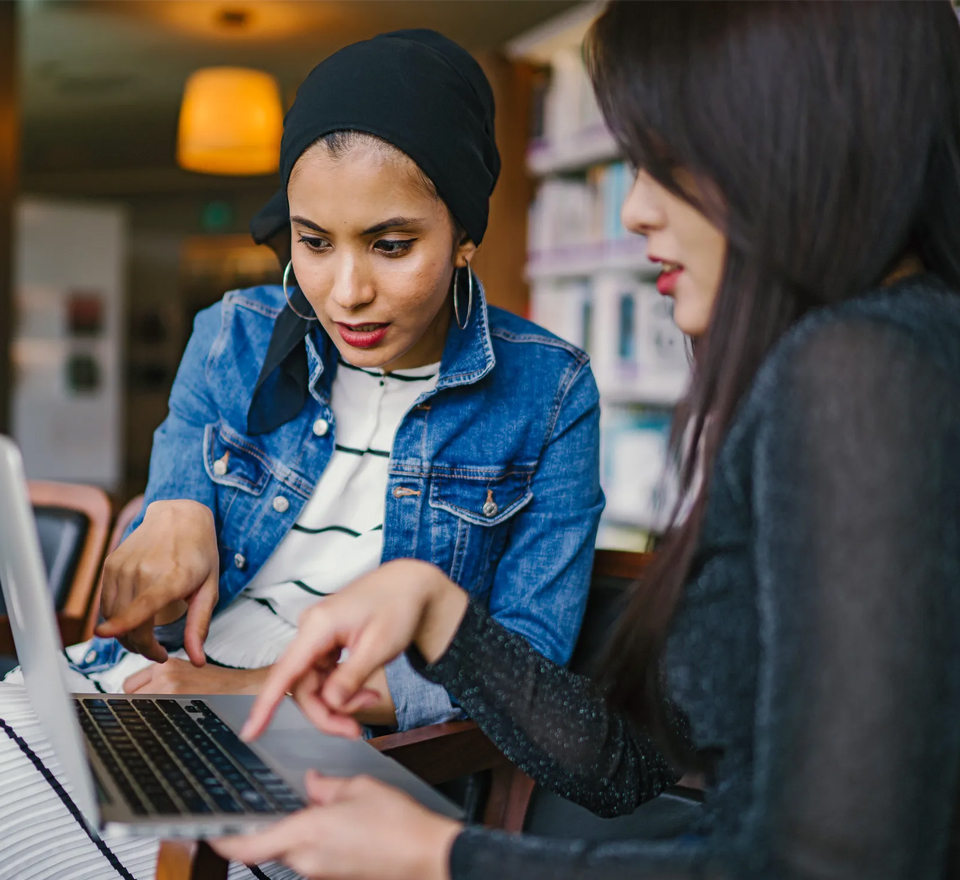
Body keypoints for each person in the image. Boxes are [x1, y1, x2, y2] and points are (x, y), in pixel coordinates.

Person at [214, 3, 960, 879]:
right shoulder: (877, 356)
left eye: (667, 162)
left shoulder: (862, 369)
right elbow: (625, 770)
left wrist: (439, 858)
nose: (638, 209)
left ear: (796, 138)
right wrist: (440, 612)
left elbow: (834, 866)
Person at [0, 29, 603, 880]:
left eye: (391, 246)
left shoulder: (550, 394)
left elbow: (523, 663)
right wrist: (174, 501)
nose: (345, 291)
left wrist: (258, 694)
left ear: (465, 232)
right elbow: (181, 458)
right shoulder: (233, 333)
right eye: (314, 242)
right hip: (154, 689)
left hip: (331, 751)